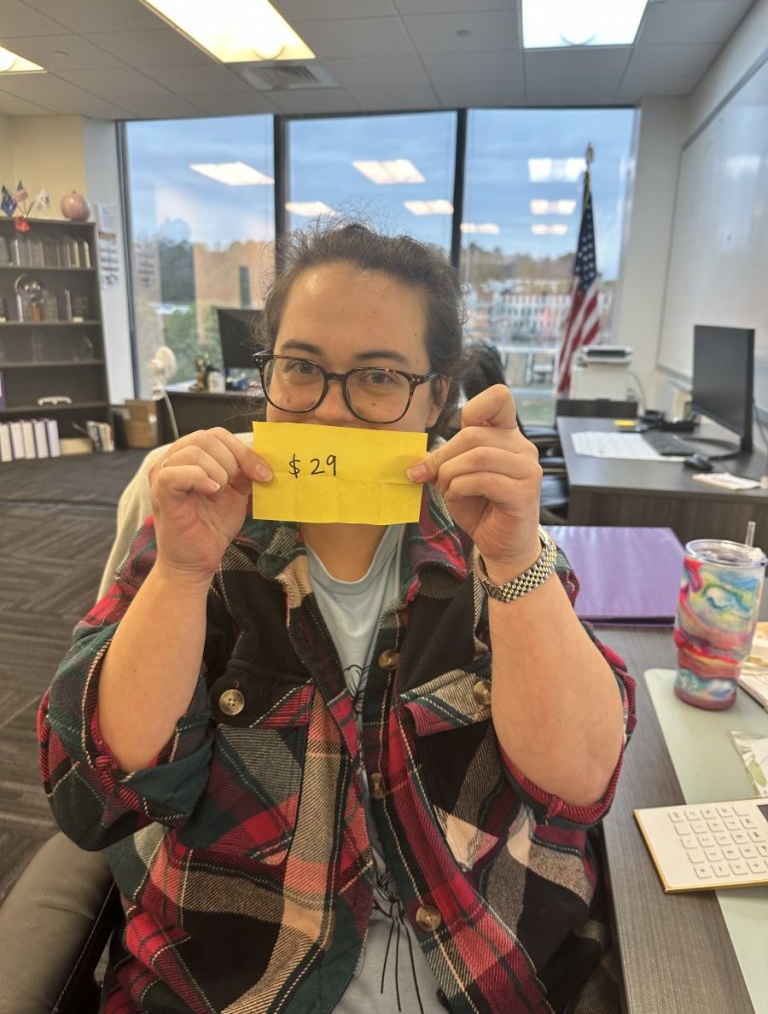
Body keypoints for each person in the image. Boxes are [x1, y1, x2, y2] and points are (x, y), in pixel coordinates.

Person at [39, 221, 635, 1014]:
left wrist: (515, 557)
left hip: (489, 973)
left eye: (379, 377)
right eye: (301, 368)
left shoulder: (491, 537)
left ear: (437, 395)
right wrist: (181, 574)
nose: (330, 411)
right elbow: (93, 797)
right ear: (268, 373)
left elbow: (581, 785)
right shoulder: (199, 537)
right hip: (236, 988)